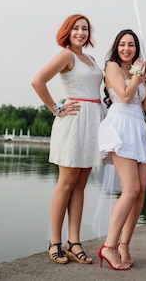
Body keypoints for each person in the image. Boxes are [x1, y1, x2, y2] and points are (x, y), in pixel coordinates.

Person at [31, 14, 104, 265]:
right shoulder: (66, 55)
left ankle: (74, 241)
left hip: (92, 122)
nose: (81, 33)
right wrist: (56, 108)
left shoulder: (91, 59)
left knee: (81, 185)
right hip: (73, 122)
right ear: (68, 31)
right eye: (76, 28)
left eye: (85, 29)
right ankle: (55, 241)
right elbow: (37, 80)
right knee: (66, 183)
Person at [96, 29, 146, 271]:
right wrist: (138, 77)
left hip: (139, 128)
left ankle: (124, 244)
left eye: (131, 45)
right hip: (120, 126)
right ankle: (109, 246)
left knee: (141, 192)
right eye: (122, 44)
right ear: (116, 47)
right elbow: (124, 95)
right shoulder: (112, 67)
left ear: (136, 48)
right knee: (130, 189)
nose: (127, 48)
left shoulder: (139, 72)